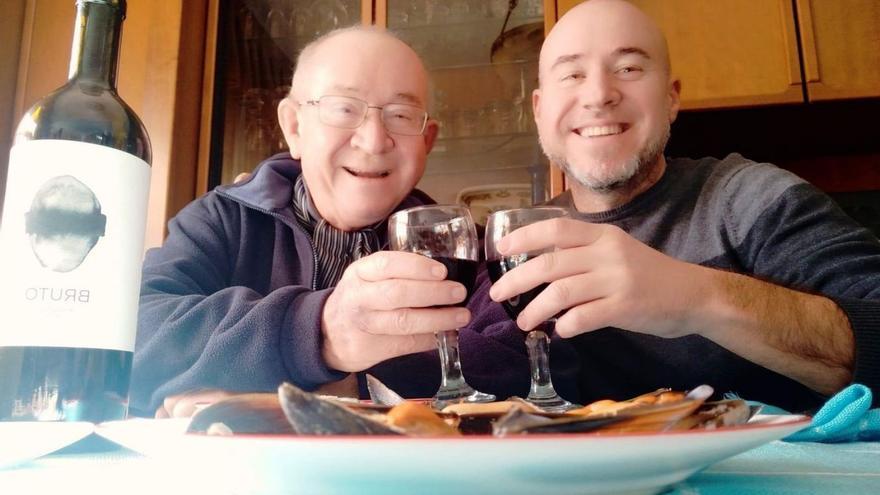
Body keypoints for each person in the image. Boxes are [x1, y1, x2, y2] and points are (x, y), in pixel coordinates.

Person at [469, 0, 880, 412]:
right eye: (572, 74)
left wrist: (698, 297)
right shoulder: (518, 244)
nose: (598, 95)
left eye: (628, 68)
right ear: (540, 111)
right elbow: (467, 383)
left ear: (670, 98)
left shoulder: (752, 201)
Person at [130, 27, 523, 417]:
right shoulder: (223, 219)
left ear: (427, 142)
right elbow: (137, 330)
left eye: (401, 115)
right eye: (344, 109)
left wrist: (350, 385)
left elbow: (526, 357)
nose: (373, 140)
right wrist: (320, 332)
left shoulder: (463, 249)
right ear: (295, 127)